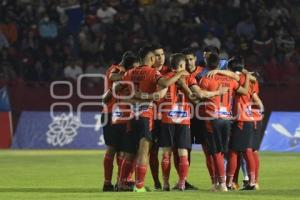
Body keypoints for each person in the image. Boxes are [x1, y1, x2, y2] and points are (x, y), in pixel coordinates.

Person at [198, 53, 251, 192]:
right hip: (227, 120)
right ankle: (218, 183)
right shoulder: (231, 80)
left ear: (207, 63)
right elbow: (245, 91)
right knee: (221, 152)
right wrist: (248, 78)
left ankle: (221, 184)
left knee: (215, 152)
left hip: (212, 118)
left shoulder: (206, 79)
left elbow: (200, 96)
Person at [101, 51, 139, 191]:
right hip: (112, 112)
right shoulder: (116, 69)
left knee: (123, 150)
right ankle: (107, 182)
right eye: (134, 67)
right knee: (112, 148)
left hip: (124, 112)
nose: (135, 70)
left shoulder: (125, 72)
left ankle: (121, 181)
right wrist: (130, 74)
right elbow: (113, 76)